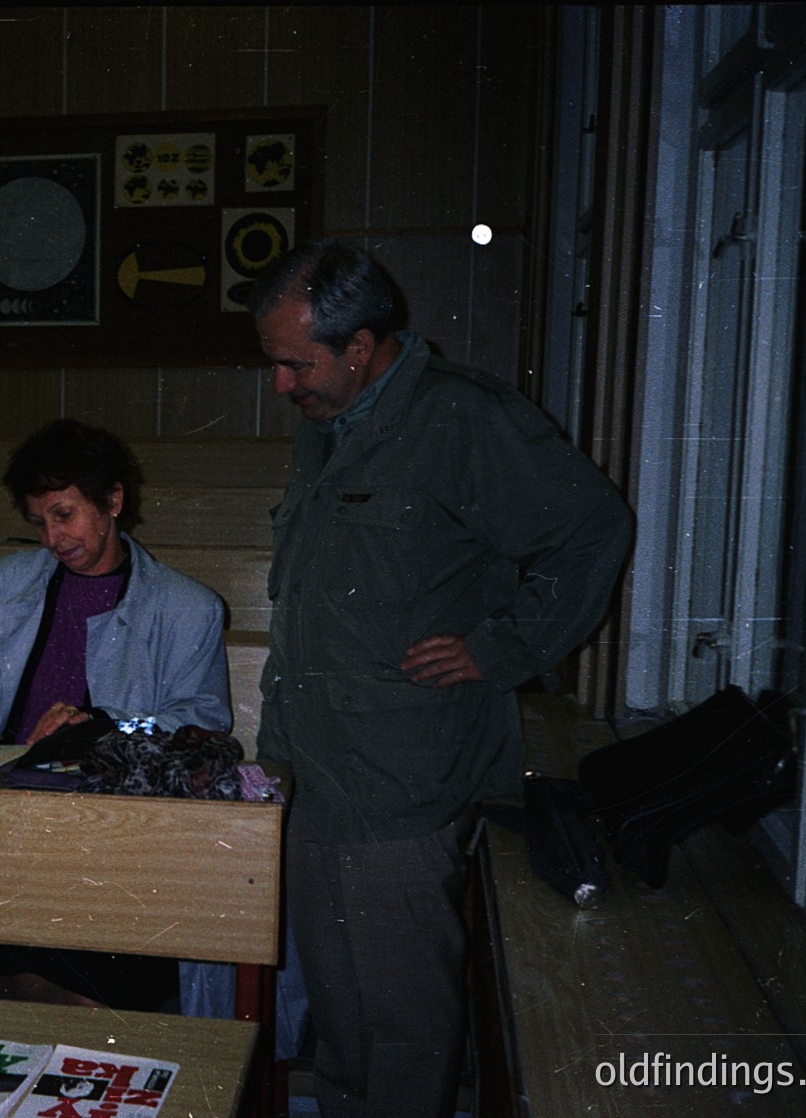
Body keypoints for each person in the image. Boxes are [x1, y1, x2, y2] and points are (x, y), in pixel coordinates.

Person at [249, 239, 632, 1117]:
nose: (282, 386)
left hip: (404, 778)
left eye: (294, 364)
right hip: (314, 770)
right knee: (341, 1022)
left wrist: (499, 649)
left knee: (406, 1019)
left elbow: (593, 532)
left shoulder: (462, 418)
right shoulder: (327, 424)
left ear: (360, 345)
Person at [0, 418, 231, 1009]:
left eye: (64, 514)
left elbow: (201, 724)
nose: (52, 539)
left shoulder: (187, 608)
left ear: (113, 501)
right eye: (39, 522)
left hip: (112, 827)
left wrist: (106, 724)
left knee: (66, 965)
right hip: (4, 813)